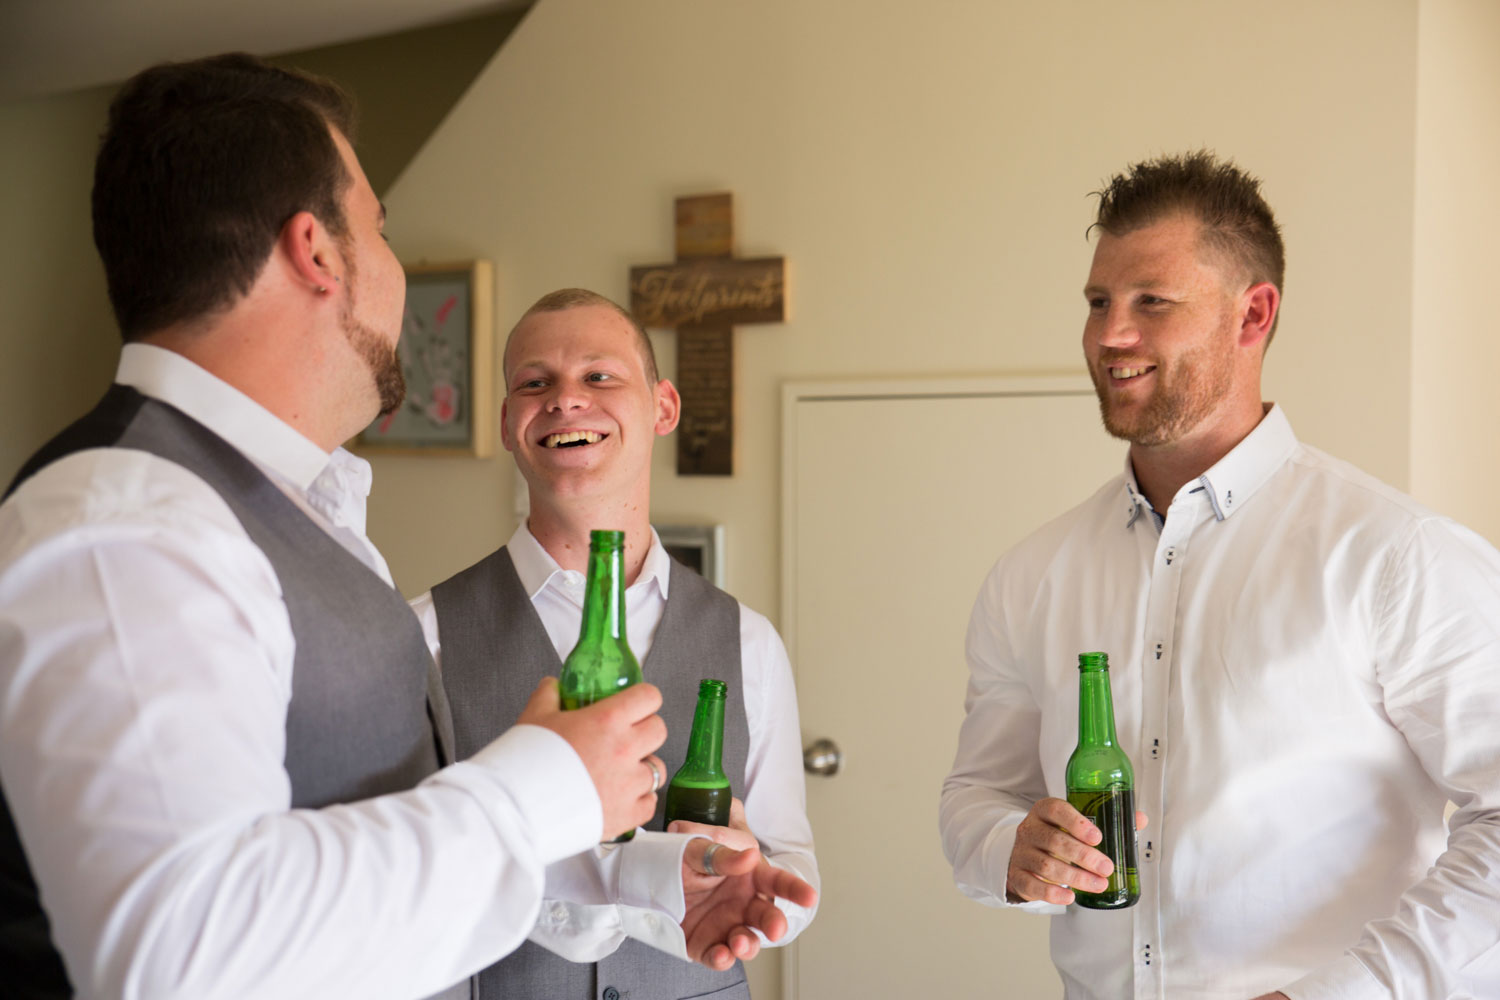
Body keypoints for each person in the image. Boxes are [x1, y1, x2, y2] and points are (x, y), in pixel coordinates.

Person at [0, 54, 810, 1000]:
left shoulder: (286, 509)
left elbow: (355, 847)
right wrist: (540, 785)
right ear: (318, 251)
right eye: (380, 229)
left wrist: (635, 878)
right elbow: (179, 950)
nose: (395, 272)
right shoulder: (128, 524)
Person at [939, 151, 1500, 999]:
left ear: (1253, 315)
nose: (1108, 335)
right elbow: (979, 794)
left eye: (1150, 302)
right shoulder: (1032, 575)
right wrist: (1006, 850)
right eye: (1098, 302)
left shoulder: (1399, 557)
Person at [410, 287, 820, 999]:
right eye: (535, 382)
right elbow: (411, 876)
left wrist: (754, 882)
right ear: (509, 423)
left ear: (662, 407)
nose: (567, 400)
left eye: (599, 376)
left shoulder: (749, 641)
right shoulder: (425, 635)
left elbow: (792, 870)